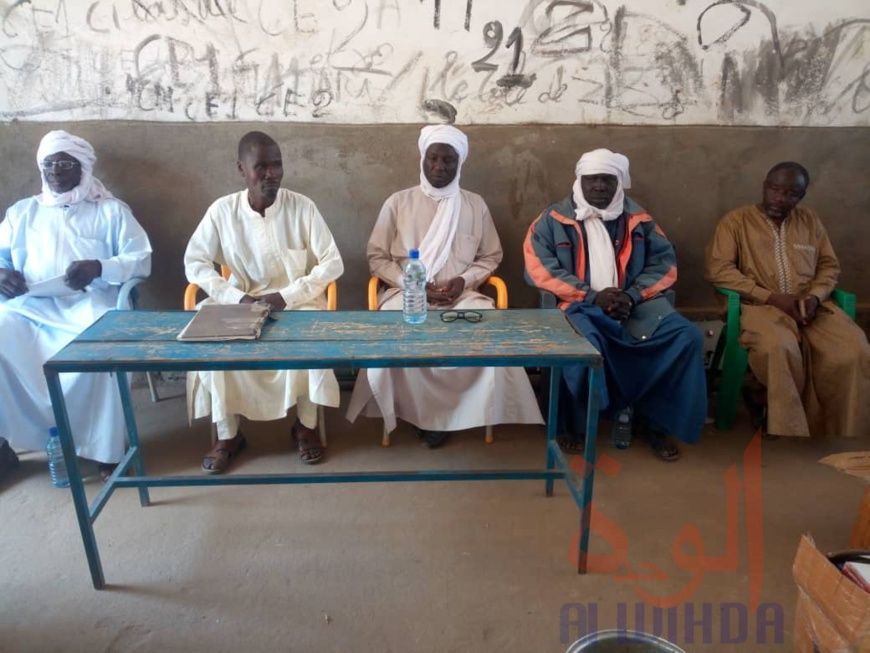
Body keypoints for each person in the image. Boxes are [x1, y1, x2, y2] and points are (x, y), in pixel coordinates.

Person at [346, 125, 543, 447]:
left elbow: (491, 256)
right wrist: (412, 285)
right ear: (422, 159)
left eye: (448, 160)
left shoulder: (474, 205)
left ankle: (461, 412)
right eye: (433, 158)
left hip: (461, 295)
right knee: (402, 334)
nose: (439, 167)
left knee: (490, 331)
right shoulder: (398, 202)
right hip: (407, 293)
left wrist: (464, 281)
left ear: (459, 163)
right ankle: (422, 415)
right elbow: (377, 258)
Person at [523, 148, 706, 461]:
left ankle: (654, 423)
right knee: (585, 345)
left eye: (607, 180)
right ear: (579, 181)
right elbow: (538, 268)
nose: (599, 186)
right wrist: (592, 296)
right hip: (578, 306)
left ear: (619, 183)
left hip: (635, 304)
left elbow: (664, 264)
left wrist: (631, 295)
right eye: (592, 179)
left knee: (686, 337)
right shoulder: (552, 220)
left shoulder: (640, 220)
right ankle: (576, 424)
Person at [185, 131, 344, 472]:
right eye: (261, 167)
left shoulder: (302, 207)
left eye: (277, 165)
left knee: (309, 340)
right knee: (213, 342)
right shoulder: (222, 211)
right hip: (238, 301)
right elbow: (194, 262)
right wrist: (235, 296)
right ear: (241, 169)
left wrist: (286, 296)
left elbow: (333, 263)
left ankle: (305, 427)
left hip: (295, 301)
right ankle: (228, 435)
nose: (271, 174)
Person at [0, 130, 152, 479]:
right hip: (30, 307)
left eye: (66, 164)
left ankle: (108, 450)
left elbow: (140, 259)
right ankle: (5, 442)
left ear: (83, 167)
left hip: (91, 304)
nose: (56, 171)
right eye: (49, 164)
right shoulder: (22, 212)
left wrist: (100, 267)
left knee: (103, 344)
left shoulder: (110, 211)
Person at [705, 162, 869, 438]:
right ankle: (790, 429)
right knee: (779, 348)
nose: (780, 198)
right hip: (760, 307)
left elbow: (829, 266)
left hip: (811, 308)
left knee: (854, 350)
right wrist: (770, 297)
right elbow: (719, 270)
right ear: (765, 187)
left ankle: (842, 431)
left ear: (801, 196)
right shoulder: (736, 222)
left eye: (791, 193)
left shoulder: (810, 221)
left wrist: (815, 297)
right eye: (775, 189)